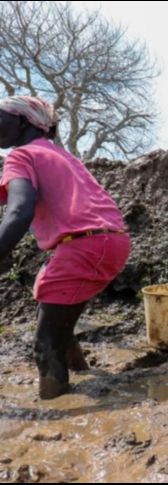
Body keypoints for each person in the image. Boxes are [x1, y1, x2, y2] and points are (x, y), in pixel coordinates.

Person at [0, 96, 131, 399]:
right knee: (55, 309)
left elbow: (19, 211)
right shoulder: (58, 155)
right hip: (110, 240)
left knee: (45, 344)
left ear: (22, 121)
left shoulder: (21, 156)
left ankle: (57, 408)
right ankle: (81, 371)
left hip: (84, 244)